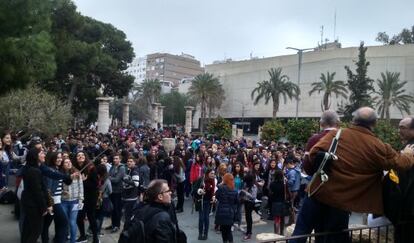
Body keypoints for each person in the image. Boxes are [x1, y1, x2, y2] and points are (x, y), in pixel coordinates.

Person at [291, 107, 414, 243]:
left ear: (353, 120)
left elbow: (313, 154)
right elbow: (402, 163)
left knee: (300, 234)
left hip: (317, 192)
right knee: (333, 238)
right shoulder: (377, 146)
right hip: (341, 202)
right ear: (374, 124)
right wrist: (408, 154)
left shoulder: (337, 135)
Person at [20, 147, 52, 243]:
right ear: (35, 156)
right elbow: (37, 192)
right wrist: (44, 207)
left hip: (29, 203)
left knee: (28, 230)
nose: (44, 155)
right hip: (33, 205)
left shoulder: (32, 169)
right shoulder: (34, 171)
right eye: (42, 153)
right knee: (36, 231)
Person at [393, 117, 414, 243]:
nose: (399, 130)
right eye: (399, 127)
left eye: (403, 127)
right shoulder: (408, 145)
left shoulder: (410, 147)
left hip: (409, 206)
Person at [41, 152, 69, 243]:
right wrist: (49, 204)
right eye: (57, 158)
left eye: (61, 157)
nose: (60, 159)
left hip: (55, 200)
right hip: (53, 202)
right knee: (63, 222)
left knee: (46, 224)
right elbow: (48, 189)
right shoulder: (51, 170)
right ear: (52, 159)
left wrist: (62, 191)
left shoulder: (57, 169)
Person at [303, 110, 340, 176]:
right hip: (343, 181)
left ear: (321, 123)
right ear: (338, 122)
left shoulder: (314, 139)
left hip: (320, 180)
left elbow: (307, 165)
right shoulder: (346, 139)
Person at [74, 151, 99, 243]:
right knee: (79, 217)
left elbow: (95, 184)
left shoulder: (91, 168)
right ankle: (82, 235)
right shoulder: (74, 169)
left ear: (86, 157)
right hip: (79, 197)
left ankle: (96, 237)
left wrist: (84, 182)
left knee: (91, 216)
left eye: (82, 155)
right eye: (78, 155)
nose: (80, 156)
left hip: (90, 197)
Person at [61, 158, 84, 243]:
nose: (68, 163)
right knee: (65, 222)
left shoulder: (77, 173)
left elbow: (81, 187)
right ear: (63, 165)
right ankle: (64, 238)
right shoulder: (61, 174)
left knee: (72, 222)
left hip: (75, 201)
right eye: (66, 162)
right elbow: (58, 187)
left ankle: (73, 241)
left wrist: (81, 200)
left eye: (69, 162)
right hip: (63, 201)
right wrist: (63, 192)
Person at [192, 168, 216, 240]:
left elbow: (215, 190)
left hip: (209, 202)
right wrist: (200, 191)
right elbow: (194, 189)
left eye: (214, 174)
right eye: (211, 173)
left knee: (206, 218)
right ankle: (200, 234)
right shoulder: (201, 179)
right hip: (201, 201)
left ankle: (205, 234)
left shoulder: (214, 180)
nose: (213, 175)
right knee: (201, 218)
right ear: (207, 173)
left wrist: (214, 197)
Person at [215, 173, 238, 243]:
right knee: (229, 230)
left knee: (223, 230)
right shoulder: (235, 190)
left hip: (221, 212)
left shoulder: (221, 188)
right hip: (230, 212)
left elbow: (217, 197)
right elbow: (236, 202)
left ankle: (224, 241)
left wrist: (221, 184)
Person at [107, 153, 126, 233]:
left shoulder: (121, 168)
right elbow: (109, 176)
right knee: (112, 209)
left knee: (117, 209)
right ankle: (113, 224)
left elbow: (117, 179)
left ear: (120, 159)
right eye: (114, 158)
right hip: (112, 191)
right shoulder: (112, 166)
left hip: (118, 191)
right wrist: (110, 177)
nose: (115, 160)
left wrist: (109, 177)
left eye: (116, 158)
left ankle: (117, 225)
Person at [121, 156, 139, 225]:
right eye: (128, 161)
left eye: (131, 161)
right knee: (126, 215)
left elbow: (136, 183)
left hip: (131, 197)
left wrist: (126, 180)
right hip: (126, 196)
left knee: (129, 215)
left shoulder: (135, 171)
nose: (129, 163)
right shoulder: (129, 170)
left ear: (134, 162)